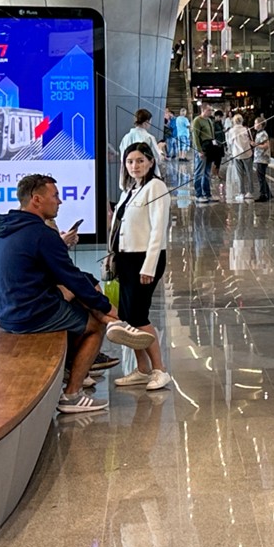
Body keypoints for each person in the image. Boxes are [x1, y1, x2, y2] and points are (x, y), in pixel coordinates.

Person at [0, 173, 155, 414]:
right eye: (55, 196)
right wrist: (106, 307)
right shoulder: (41, 234)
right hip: (27, 313)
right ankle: (72, 394)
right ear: (36, 199)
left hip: (6, 309)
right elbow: (71, 278)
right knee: (93, 327)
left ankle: (107, 329)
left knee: (82, 291)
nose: (60, 201)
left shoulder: (6, 229)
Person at [109, 144, 172, 391]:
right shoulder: (130, 189)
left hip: (144, 259)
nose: (134, 166)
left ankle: (159, 369)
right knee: (128, 317)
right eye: (129, 162)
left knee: (138, 316)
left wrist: (149, 266)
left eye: (139, 161)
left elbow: (158, 229)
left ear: (150, 162)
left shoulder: (156, 187)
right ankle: (143, 369)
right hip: (126, 260)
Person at [118, 108, 163, 191]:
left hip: (129, 176)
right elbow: (157, 158)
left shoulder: (126, 137)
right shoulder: (149, 138)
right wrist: (160, 150)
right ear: (146, 122)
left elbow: (122, 158)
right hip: (146, 177)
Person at [190, 103, 215, 202]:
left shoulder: (209, 120)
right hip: (202, 149)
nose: (210, 112)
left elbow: (212, 135)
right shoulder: (197, 121)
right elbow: (195, 137)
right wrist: (199, 150)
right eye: (209, 110)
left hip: (210, 148)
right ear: (203, 110)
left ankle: (207, 193)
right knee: (199, 172)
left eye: (211, 110)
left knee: (207, 172)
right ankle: (198, 194)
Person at [225, 113, 253, 203]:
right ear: (242, 120)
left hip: (237, 154)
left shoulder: (231, 131)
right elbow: (251, 140)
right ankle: (250, 192)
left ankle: (242, 193)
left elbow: (229, 143)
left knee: (240, 174)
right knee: (249, 173)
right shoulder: (246, 129)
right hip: (247, 153)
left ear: (233, 121)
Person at [252, 116, 274, 202]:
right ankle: (268, 193)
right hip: (259, 158)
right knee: (261, 176)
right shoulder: (259, 133)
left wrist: (255, 145)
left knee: (261, 177)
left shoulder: (263, 134)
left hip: (262, 158)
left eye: (256, 123)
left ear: (260, 125)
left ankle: (263, 195)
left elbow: (266, 146)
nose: (254, 125)